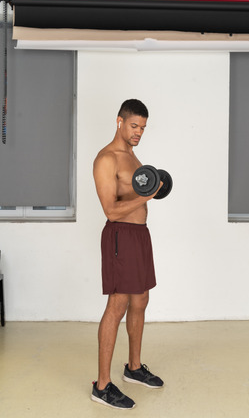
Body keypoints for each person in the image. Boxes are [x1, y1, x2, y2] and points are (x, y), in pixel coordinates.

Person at [92, 99, 164, 410]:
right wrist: (146, 196)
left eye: (143, 128)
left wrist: (155, 190)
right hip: (120, 235)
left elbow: (137, 193)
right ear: (119, 121)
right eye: (134, 126)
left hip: (139, 235)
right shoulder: (107, 159)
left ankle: (133, 367)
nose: (139, 133)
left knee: (141, 298)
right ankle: (103, 385)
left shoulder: (133, 157)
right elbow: (110, 209)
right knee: (118, 303)